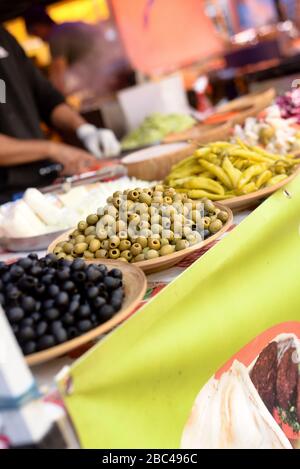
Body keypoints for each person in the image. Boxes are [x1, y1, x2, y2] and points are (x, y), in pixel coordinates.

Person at [0, 26, 120, 203]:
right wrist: (52, 149)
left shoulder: (4, 37)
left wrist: (84, 129)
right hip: (6, 198)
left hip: (45, 184)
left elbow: (47, 98)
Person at [24, 6, 131, 100]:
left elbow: (59, 76)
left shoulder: (56, 37)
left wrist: (54, 101)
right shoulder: (67, 27)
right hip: (117, 72)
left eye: (35, 32)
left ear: (41, 25)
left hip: (108, 78)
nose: (39, 38)